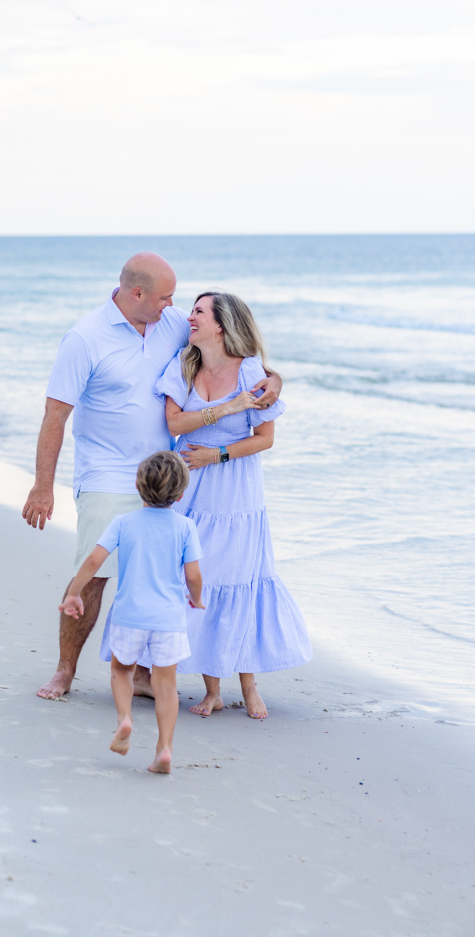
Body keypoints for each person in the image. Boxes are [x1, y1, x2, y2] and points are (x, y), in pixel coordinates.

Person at [22, 253, 283, 701]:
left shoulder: (171, 321)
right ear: (137, 293)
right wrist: (42, 485)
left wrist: (274, 380)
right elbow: (55, 414)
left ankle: (143, 674)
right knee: (96, 571)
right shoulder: (85, 339)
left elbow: (232, 349)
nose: (173, 306)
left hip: (166, 472)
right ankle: (65, 670)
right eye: (165, 297)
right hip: (107, 472)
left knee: (160, 575)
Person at [154, 291, 312, 719]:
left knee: (239, 578)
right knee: (198, 579)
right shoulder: (185, 364)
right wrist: (224, 410)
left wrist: (217, 454)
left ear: (221, 326)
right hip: (189, 485)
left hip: (235, 488)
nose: (190, 317)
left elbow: (265, 438)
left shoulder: (251, 372)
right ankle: (212, 690)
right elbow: (174, 422)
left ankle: (248, 685)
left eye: (199, 312)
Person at [59, 451, 204, 774]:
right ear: (181, 494)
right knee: (165, 684)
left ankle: (125, 719)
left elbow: (94, 561)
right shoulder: (185, 527)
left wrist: (74, 593)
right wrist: (196, 598)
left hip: (129, 615)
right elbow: (194, 575)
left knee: (122, 670)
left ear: (138, 487)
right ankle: (164, 749)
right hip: (168, 619)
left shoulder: (123, 522)